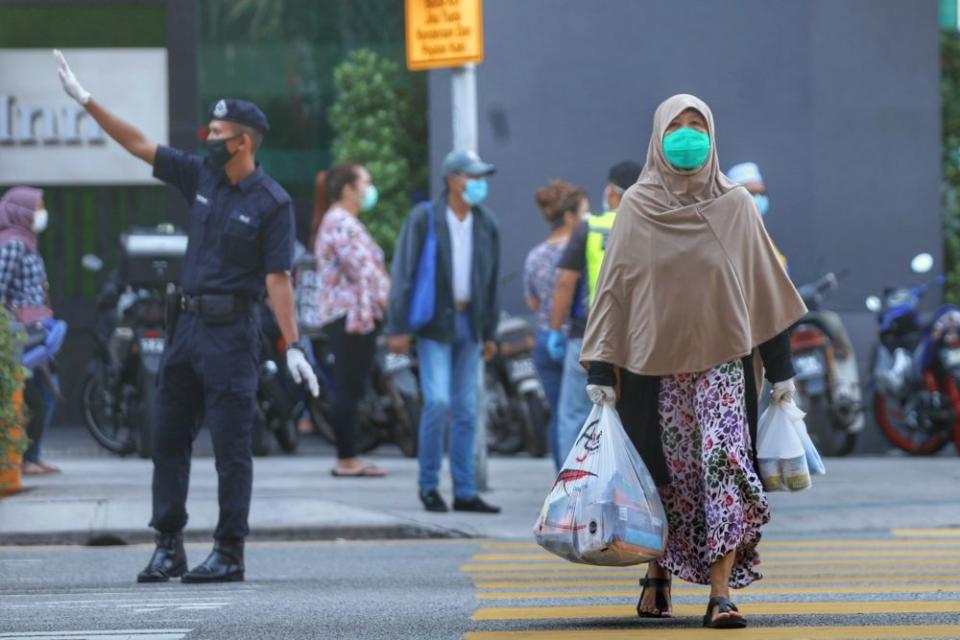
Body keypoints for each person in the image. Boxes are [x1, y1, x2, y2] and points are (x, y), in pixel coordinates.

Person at [54, 50, 319, 583]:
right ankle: (168, 545)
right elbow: (136, 143)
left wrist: (292, 345)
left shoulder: (271, 201)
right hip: (187, 328)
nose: (209, 137)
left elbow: (277, 281)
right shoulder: (202, 176)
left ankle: (229, 551)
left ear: (243, 141)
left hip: (232, 333)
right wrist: (86, 101)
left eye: (218, 131)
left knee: (230, 449)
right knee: (167, 441)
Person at [580, 94, 807, 629]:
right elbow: (614, 291)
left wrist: (781, 374)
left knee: (724, 465)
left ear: (712, 134)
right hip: (651, 367)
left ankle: (721, 594)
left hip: (724, 362)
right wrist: (600, 370)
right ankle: (657, 575)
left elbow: (763, 292)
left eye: (696, 125)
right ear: (658, 136)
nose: (687, 136)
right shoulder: (636, 205)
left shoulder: (735, 205)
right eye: (676, 126)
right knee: (663, 476)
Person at [386, 149, 501, 514]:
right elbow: (403, 271)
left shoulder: (486, 224)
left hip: (471, 323)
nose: (480, 184)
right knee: (437, 401)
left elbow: (492, 280)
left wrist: (491, 332)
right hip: (435, 322)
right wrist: (398, 326)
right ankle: (429, 485)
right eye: (473, 176)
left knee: (467, 409)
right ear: (453, 179)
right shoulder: (425, 218)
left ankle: (465, 491)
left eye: (482, 177)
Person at [727, 161, 864, 442]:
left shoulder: (764, 238)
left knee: (831, 326)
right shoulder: (727, 235)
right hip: (747, 331)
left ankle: (844, 396)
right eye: (749, 193)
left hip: (779, 322)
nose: (756, 199)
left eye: (760, 193)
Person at [548, 161, 642, 464]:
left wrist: (554, 329)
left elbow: (565, 281)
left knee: (575, 414)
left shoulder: (589, 227)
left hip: (588, 336)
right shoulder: (649, 226)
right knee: (631, 414)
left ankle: (571, 487)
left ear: (612, 193)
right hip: (636, 338)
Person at [310, 164, 390, 477]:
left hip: (353, 317)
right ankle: (346, 458)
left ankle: (350, 456)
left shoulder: (342, 222)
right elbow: (363, 271)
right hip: (349, 318)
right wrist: (389, 300)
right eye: (366, 182)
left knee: (351, 387)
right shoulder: (340, 222)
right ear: (348, 189)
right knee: (347, 387)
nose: (370, 188)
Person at [524, 180, 588, 469]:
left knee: (559, 416)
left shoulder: (535, 255)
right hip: (577, 340)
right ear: (571, 217)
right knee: (580, 416)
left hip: (545, 342)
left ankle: (559, 484)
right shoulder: (584, 247)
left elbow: (533, 302)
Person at [0, 187, 60, 476]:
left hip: (38, 330)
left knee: (44, 393)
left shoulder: (28, 242)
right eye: (37, 206)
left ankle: (32, 456)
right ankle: (24, 458)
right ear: (21, 212)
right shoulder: (12, 244)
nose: (41, 213)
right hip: (21, 334)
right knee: (37, 395)